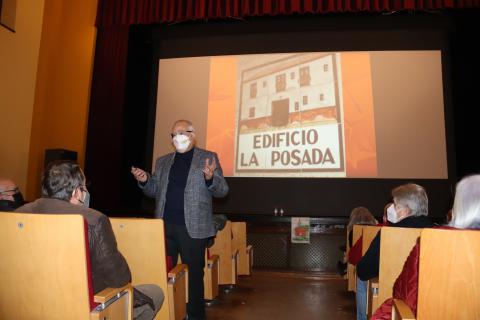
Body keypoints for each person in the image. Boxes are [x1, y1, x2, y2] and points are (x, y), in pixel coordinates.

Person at [16, 161, 163, 320]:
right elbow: (119, 278)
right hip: (85, 308)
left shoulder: (17, 214)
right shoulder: (94, 219)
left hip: (28, 303)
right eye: (84, 187)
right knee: (155, 292)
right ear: (76, 193)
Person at [131, 119, 229, 320]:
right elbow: (154, 191)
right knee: (163, 272)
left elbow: (222, 190)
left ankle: (194, 316)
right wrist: (145, 181)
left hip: (193, 228)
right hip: (165, 227)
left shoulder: (208, 157)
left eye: (182, 132)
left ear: (193, 135)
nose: (178, 137)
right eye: (174, 134)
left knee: (194, 277)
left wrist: (210, 178)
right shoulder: (163, 161)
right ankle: (167, 313)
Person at [371, 174, 480, 319]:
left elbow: (403, 289)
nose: (391, 208)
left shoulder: (434, 239)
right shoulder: (433, 231)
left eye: (395, 205)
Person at [355, 183, 433, 320]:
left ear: (406, 210)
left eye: (395, 204)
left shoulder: (388, 233)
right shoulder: (437, 233)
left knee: (361, 277)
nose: (391, 208)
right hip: (429, 302)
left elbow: (364, 270)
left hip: (395, 300)